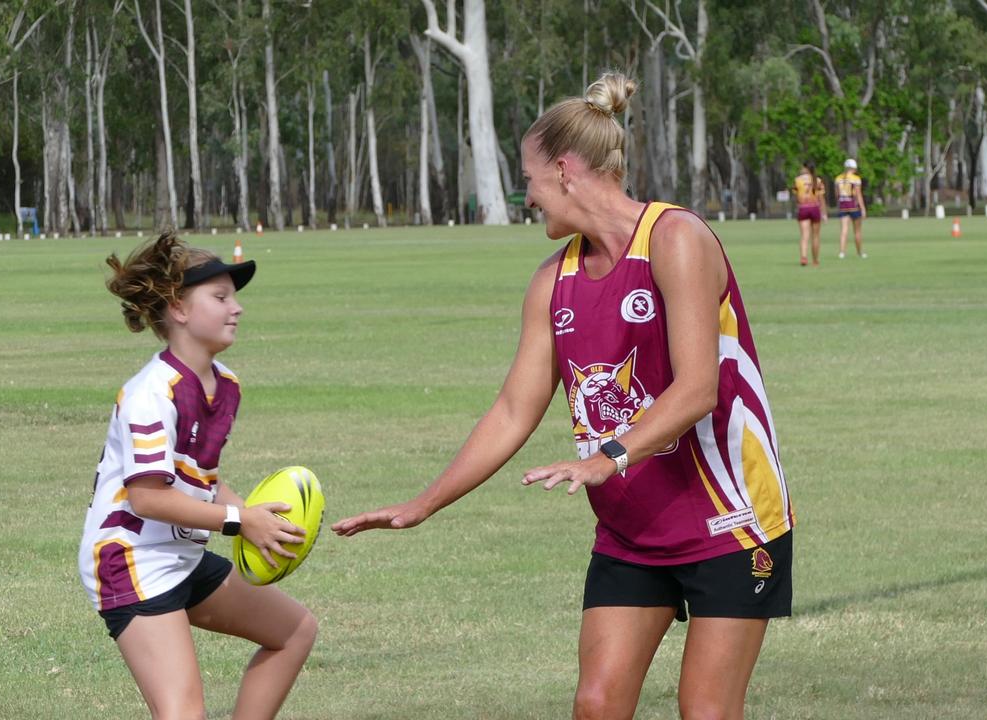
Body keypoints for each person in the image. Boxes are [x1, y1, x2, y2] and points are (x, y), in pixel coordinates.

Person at [333, 72, 794, 720]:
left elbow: (697, 389)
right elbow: (513, 410)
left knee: (707, 711)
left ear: (566, 170)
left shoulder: (676, 239)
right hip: (632, 532)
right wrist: (424, 504)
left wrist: (606, 458)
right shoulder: (553, 282)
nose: (527, 197)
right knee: (596, 704)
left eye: (529, 179)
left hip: (732, 520)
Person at [79, 233, 317, 720]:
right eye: (221, 297)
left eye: (235, 297)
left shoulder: (225, 385)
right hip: (133, 560)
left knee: (294, 632)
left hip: (181, 554)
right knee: (183, 713)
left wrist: (252, 514)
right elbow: (148, 499)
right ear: (179, 309)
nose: (237, 309)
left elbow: (200, 477)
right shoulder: (150, 394)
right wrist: (238, 521)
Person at [792, 162, 826, 266]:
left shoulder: (798, 180)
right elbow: (821, 198)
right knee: (815, 236)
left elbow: (796, 196)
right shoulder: (817, 180)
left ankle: (804, 257)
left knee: (804, 235)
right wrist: (824, 213)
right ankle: (815, 261)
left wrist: (797, 206)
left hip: (803, 208)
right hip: (815, 207)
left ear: (805, 168)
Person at [835, 158, 868, 258]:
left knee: (844, 230)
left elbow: (837, 195)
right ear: (854, 168)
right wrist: (863, 208)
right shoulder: (856, 179)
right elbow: (858, 194)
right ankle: (859, 252)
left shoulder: (838, 178)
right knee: (857, 231)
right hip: (854, 206)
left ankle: (842, 252)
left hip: (843, 206)